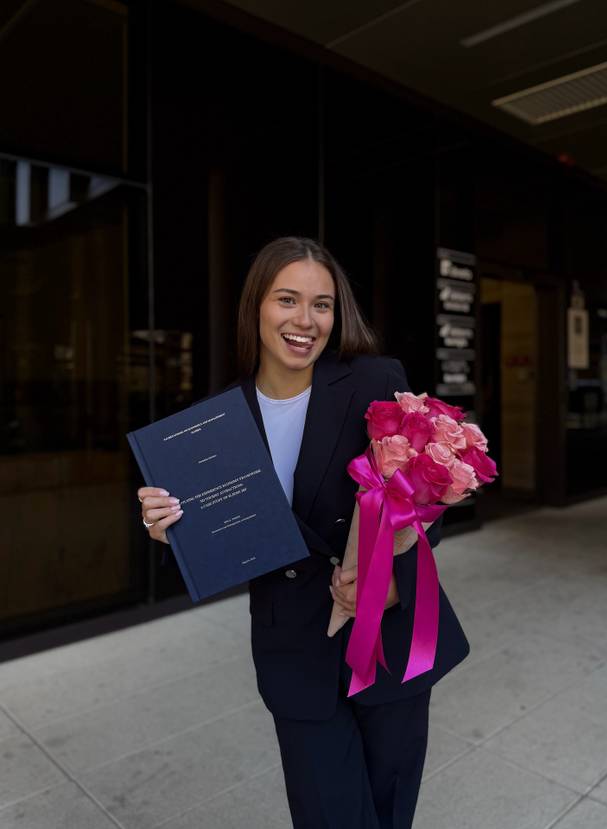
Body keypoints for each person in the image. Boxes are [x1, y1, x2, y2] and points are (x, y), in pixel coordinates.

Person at [138, 237, 470, 828]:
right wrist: (173, 532)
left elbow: (424, 499)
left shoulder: (373, 378)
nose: (305, 321)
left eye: (321, 305)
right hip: (294, 646)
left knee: (391, 811)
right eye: (287, 299)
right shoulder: (217, 420)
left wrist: (387, 583)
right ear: (256, 308)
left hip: (388, 637)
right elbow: (223, 542)